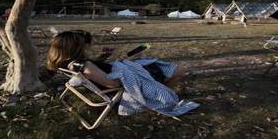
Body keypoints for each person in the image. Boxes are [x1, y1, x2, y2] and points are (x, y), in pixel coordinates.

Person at [46, 30, 186, 89]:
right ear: (77, 47)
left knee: (151, 62)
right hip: (130, 80)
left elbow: (95, 70)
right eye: (85, 44)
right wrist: (128, 66)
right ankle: (161, 90)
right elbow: (113, 84)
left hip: (117, 70)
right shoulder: (85, 66)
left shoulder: (66, 62)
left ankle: (161, 84)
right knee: (180, 69)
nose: (87, 46)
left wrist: (105, 57)